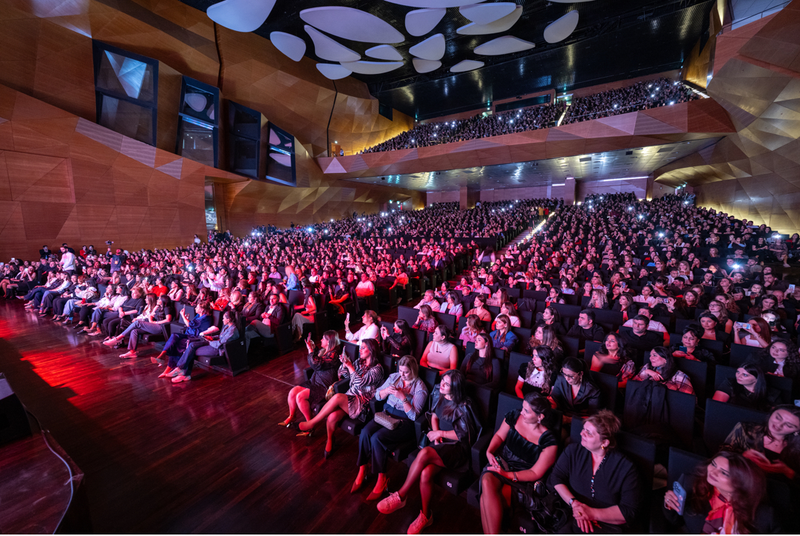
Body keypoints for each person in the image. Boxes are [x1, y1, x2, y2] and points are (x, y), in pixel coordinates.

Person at [377, 370, 480, 534]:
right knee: (425, 474)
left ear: (455, 388)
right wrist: (435, 432)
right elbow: (434, 415)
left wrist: (441, 434)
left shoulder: (463, 405)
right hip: (439, 444)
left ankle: (401, 495)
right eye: (443, 381)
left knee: (424, 453)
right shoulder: (439, 393)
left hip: (456, 448)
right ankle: (426, 516)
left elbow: (465, 435)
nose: (442, 385)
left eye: (447, 384)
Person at [479, 393, 559, 534]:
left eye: (526, 411)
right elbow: (498, 436)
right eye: (523, 408)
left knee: (485, 497)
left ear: (540, 417)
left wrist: (508, 475)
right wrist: (489, 451)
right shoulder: (514, 416)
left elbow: (535, 473)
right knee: (486, 482)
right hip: (503, 462)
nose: (521, 412)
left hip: (523, 478)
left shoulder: (549, 442)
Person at [549, 411, 643, 533]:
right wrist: (574, 504)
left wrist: (591, 513)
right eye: (583, 429)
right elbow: (556, 477)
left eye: (589, 433)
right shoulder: (573, 451)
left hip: (606, 524)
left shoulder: (625, 468)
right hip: (573, 513)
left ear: (604, 443)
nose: (581, 433)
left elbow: (628, 511)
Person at [352, 356, 428, 501]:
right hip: (386, 415)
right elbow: (378, 395)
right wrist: (386, 391)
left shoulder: (420, 387)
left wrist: (403, 398)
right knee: (365, 432)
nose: (402, 374)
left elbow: (413, 416)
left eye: (405, 372)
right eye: (400, 370)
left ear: (413, 371)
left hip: (404, 421)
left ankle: (382, 478)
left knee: (377, 438)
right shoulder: (394, 377)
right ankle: (362, 468)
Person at [297, 339, 384, 458]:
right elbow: (346, 376)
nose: (360, 350)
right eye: (361, 347)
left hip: (362, 404)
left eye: (364, 348)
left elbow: (360, 383)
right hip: (350, 397)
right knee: (332, 417)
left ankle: (312, 423)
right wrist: (344, 365)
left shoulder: (378, 369)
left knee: (337, 397)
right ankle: (330, 440)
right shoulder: (359, 362)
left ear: (372, 350)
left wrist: (350, 366)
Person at [663, 451, 779, 533]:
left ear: (742, 483)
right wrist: (669, 505)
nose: (713, 472)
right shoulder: (690, 484)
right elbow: (675, 522)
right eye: (713, 464)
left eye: (724, 473)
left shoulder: (764, 515)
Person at [279, 330, 341, 426]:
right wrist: (313, 348)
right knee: (293, 392)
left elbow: (317, 364)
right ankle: (292, 416)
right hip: (315, 381)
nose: (321, 340)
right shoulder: (325, 351)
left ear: (329, 341)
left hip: (323, 386)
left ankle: (310, 424)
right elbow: (318, 359)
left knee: (300, 397)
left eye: (323, 339)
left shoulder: (334, 355)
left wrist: (310, 351)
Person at [724, 405, 800, 479]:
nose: (779, 425)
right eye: (777, 418)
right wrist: (742, 457)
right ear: (771, 413)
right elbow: (722, 455)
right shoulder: (745, 429)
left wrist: (787, 471)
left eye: (789, 425)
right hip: (738, 480)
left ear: (797, 431)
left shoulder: (797, 448)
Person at [167, 309, 239, 383]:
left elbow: (220, 344)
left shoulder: (232, 331)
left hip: (216, 348)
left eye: (224, 318)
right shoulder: (227, 326)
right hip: (213, 343)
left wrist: (210, 341)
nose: (222, 319)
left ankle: (183, 372)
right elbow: (221, 336)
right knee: (192, 345)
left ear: (229, 319)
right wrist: (211, 337)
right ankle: (182, 370)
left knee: (192, 350)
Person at [155, 302, 215, 378]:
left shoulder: (206, 318)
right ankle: (163, 353)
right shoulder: (198, 315)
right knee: (174, 335)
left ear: (202, 309)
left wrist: (183, 316)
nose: (195, 308)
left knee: (177, 344)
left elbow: (189, 324)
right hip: (188, 335)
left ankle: (168, 368)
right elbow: (191, 324)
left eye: (197, 307)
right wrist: (186, 318)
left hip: (195, 338)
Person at [711, 360, 782, 411]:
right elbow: (716, 407)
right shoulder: (730, 383)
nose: (738, 376)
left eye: (745, 375)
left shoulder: (772, 394)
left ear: (757, 379)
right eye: (738, 372)